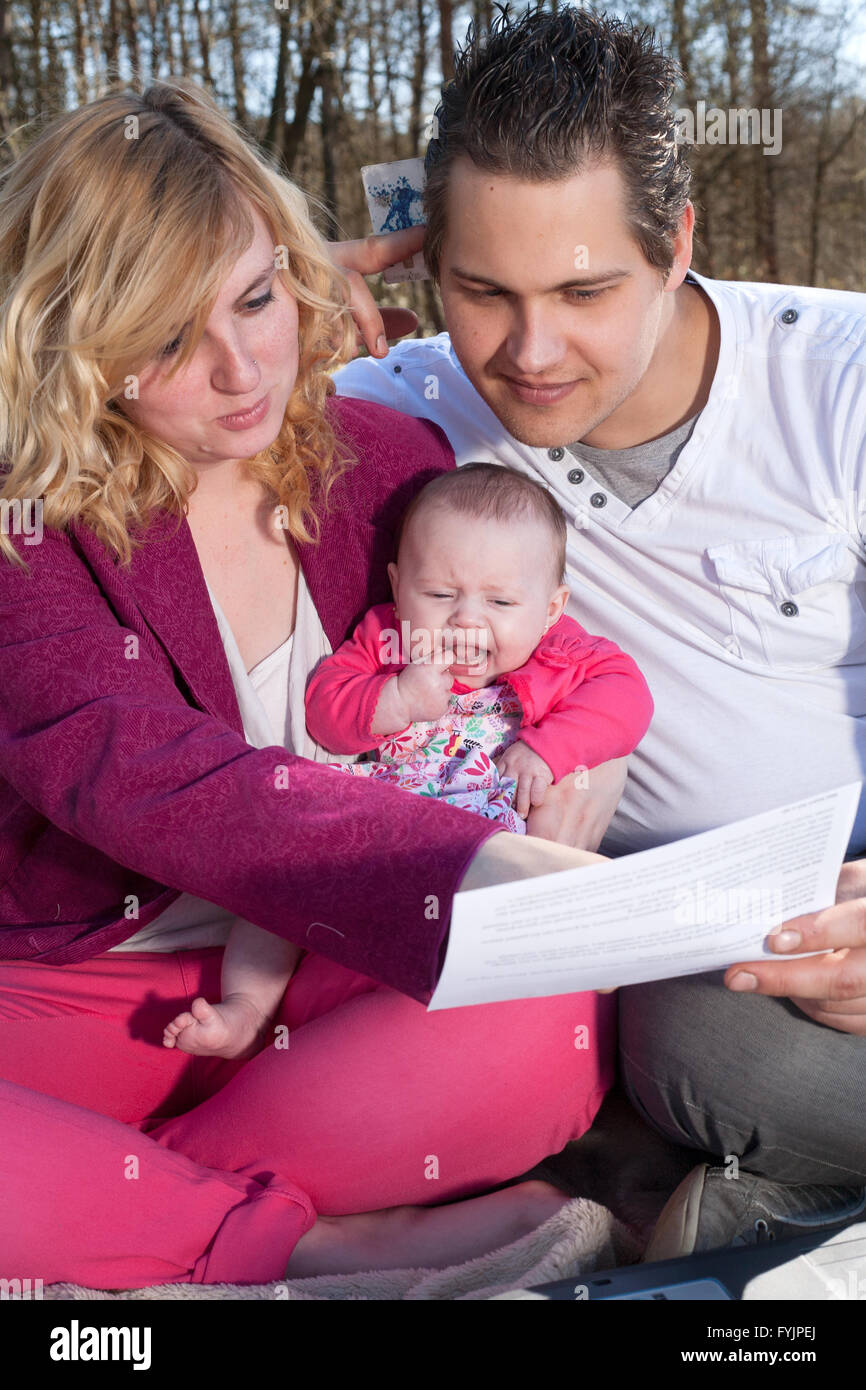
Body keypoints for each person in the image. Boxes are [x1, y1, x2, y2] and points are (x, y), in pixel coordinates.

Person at [0, 76, 625, 1289]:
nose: (242, 368)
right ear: (77, 340)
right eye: (168, 335)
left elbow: (518, 643)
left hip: (321, 964)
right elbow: (129, 763)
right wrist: (456, 857)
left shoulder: (389, 461)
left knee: (550, 1020)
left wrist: (570, 749)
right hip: (85, 986)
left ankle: (107, 1203)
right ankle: (292, 1238)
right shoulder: (25, 525)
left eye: (255, 296)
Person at [332, 5, 866, 1256]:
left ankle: (766, 1202)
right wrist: (274, 281)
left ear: (676, 243)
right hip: (686, 943)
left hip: (846, 877)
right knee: (692, 1038)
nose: (529, 353)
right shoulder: (407, 402)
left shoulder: (835, 381)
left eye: (583, 290)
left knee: (710, 1046)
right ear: (425, 261)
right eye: (480, 289)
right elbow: (124, 412)